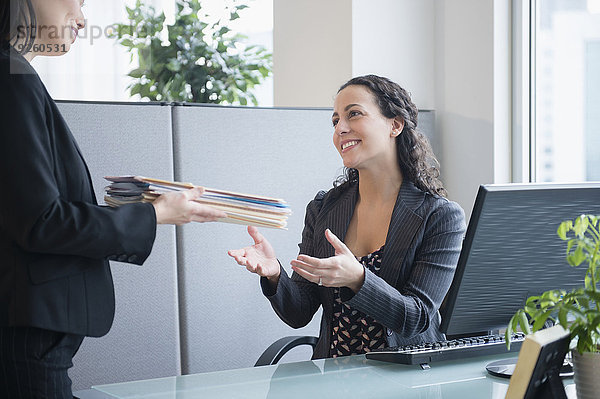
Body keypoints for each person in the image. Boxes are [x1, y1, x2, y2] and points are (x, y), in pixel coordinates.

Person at [0, 1, 226, 397]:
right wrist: (153, 214)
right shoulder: (10, 78)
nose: (83, 19)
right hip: (27, 338)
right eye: (78, 1)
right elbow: (41, 222)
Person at [228, 74, 466, 359]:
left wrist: (359, 278)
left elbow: (416, 318)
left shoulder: (439, 216)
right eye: (335, 121)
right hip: (336, 377)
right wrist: (275, 274)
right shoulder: (323, 209)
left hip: (407, 378)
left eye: (354, 114)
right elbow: (299, 312)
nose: (341, 128)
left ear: (395, 125)